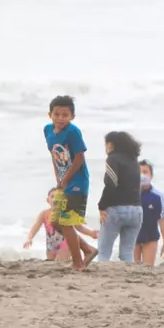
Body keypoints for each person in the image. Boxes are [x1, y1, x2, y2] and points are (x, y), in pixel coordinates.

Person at [45, 95, 97, 270]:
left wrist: (66, 179)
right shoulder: (48, 130)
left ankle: (78, 263)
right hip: (63, 182)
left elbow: (79, 158)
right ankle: (88, 250)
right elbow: (54, 155)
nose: (60, 118)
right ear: (50, 115)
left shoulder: (73, 132)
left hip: (77, 183)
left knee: (66, 222)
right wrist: (58, 178)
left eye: (65, 115)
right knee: (55, 222)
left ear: (72, 116)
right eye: (56, 114)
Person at [97, 131, 145, 263]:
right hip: (136, 210)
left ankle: (102, 274)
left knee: (104, 251)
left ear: (111, 144)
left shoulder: (112, 158)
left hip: (117, 209)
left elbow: (111, 183)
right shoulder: (134, 161)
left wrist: (102, 205)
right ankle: (129, 274)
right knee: (127, 253)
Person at [24, 188, 99, 261]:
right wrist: (29, 238)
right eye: (52, 197)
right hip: (51, 245)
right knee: (51, 263)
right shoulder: (44, 214)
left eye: (58, 197)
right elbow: (35, 227)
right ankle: (72, 260)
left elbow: (79, 227)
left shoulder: (66, 213)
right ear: (48, 200)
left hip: (65, 243)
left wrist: (91, 233)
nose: (55, 199)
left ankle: (76, 255)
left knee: (58, 262)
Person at [135, 160, 164, 266]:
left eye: (145, 172)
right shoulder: (129, 194)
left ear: (151, 175)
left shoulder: (158, 196)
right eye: (139, 172)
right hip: (132, 237)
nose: (142, 175)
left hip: (150, 237)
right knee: (131, 268)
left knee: (148, 269)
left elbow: (162, 220)